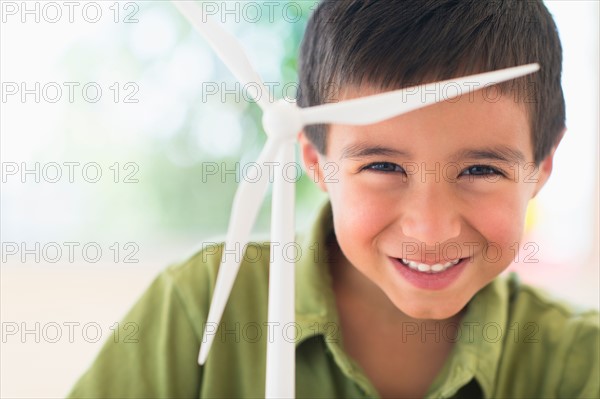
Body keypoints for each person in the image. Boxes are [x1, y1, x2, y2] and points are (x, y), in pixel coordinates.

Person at [68, 1, 599, 398]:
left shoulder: (580, 366)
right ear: (315, 160)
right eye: (383, 166)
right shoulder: (197, 309)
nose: (430, 229)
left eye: (481, 169)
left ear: (543, 165)